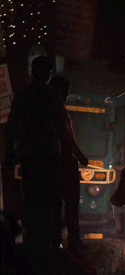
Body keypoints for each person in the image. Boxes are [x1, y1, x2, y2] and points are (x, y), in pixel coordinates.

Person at [4, 56, 75, 255]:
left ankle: (31, 242)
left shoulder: (23, 95)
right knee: (49, 200)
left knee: (31, 198)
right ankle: (44, 245)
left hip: (28, 155)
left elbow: (11, 127)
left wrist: (10, 152)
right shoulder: (53, 95)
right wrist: (68, 154)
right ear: (47, 73)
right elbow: (61, 128)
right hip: (49, 155)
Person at [49, 75, 89, 251]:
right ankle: (72, 241)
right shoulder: (57, 110)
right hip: (64, 162)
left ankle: (57, 241)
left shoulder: (46, 108)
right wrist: (80, 156)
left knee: (57, 205)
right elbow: (66, 136)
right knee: (70, 205)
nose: (67, 94)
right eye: (66, 91)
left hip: (55, 162)